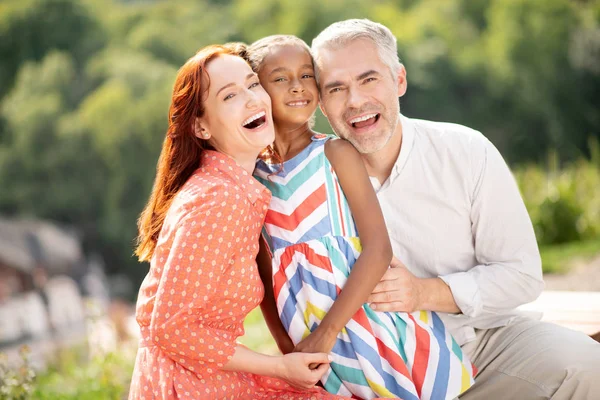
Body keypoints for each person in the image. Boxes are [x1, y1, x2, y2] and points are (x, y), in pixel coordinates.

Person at [310, 18, 600, 399]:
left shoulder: (465, 151)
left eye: (369, 80)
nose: (355, 101)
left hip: (483, 345)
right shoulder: (309, 179)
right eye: (336, 89)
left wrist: (423, 293)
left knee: (586, 364)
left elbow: (521, 275)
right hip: (371, 369)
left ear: (399, 80)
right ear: (321, 104)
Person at [247, 35, 476, 400]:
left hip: (373, 326)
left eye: (307, 76)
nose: (297, 87)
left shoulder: (335, 153)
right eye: (280, 78)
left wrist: (327, 332)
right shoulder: (254, 178)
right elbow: (263, 274)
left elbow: (378, 250)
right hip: (312, 344)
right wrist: (289, 349)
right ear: (256, 90)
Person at [129, 43, 347, 400]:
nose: (252, 100)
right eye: (230, 96)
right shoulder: (219, 199)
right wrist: (279, 367)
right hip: (189, 385)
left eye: (253, 84)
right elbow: (172, 328)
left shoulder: (236, 187)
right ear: (200, 126)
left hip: (202, 377)